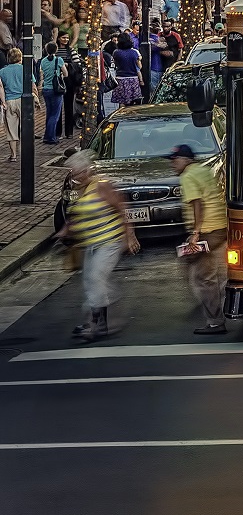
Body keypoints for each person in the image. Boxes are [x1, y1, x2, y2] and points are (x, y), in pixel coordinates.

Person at [57, 150, 139, 342]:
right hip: (91, 243)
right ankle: (98, 318)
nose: (75, 177)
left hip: (109, 241)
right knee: (90, 281)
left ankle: (99, 325)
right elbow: (76, 214)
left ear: (86, 171)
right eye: (73, 173)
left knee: (96, 278)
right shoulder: (79, 189)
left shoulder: (102, 185)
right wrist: (65, 230)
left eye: (77, 173)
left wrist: (130, 236)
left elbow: (122, 209)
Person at [168, 143, 229, 334]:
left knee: (204, 278)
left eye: (175, 160)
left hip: (206, 231)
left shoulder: (187, 176)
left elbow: (197, 204)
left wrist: (195, 233)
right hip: (220, 227)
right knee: (218, 273)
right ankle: (220, 301)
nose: (173, 164)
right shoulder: (203, 171)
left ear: (186, 160)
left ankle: (215, 321)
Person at [37, 41, 70, 144]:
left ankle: (47, 135)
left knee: (49, 113)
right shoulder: (58, 60)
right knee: (55, 115)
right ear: (56, 50)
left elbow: (41, 75)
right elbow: (66, 74)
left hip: (46, 89)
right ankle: (51, 137)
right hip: (55, 90)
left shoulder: (43, 61)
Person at [0, 47, 22, 161]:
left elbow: (0, 87)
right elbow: (33, 85)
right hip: (23, 101)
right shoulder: (25, 69)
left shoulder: (2, 71)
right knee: (26, 128)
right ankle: (26, 152)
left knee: (11, 129)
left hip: (9, 100)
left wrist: (3, 102)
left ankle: (13, 155)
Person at [111, 32, 143, 107]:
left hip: (120, 78)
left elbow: (115, 64)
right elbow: (139, 66)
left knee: (122, 101)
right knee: (133, 101)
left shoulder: (116, 52)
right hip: (133, 78)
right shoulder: (134, 52)